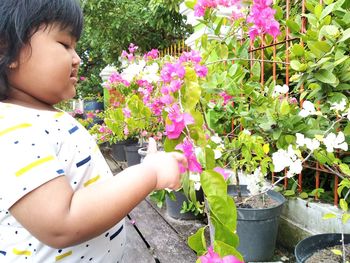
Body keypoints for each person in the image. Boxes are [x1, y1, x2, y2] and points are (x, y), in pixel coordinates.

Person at [0, 0, 187, 262]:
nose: (76, 58)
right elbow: (61, 221)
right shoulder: (10, 129)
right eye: (64, 44)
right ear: (7, 49)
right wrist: (150, 173)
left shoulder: (42, 116)